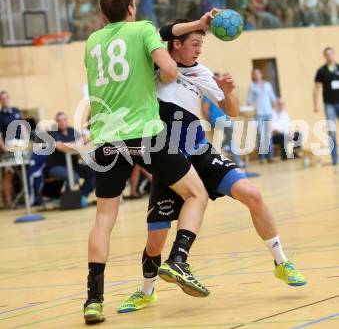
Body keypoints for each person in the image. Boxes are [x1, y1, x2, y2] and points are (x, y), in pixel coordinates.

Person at [116, 18, 306, 313]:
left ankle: (282, 262)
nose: (199, 50)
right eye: (194, 44)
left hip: (200, 152)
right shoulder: (153, 68)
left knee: (252, 194)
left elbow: (231, 111)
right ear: (176, 44)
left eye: (201, 44)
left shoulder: (201, 72)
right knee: (154, 242)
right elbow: (163, 32)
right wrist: (198, 21)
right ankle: (146, 291)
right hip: (170, 161)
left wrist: (228, 91)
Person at [83, 0, 210, 324]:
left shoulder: (93, 42)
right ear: (132, 8)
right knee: (196, 193)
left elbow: (100, 87)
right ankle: (178, 259)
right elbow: (168, 70)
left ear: (103, 14)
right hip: (144, 133)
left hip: (106, 135)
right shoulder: (142, 30)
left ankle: (93, 301)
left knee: (103, 220)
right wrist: (167, 70)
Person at [46, 112, 94, 204]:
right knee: (73, 177)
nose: (62, 122)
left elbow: (83, 143)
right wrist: (76, 144)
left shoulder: (72, 131)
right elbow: (60, 147)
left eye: (64, 120)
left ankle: (81, 197)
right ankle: (67, 201)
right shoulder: (53, 133)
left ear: (67, 121)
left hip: (73, 165)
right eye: (59, 121)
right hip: (56, 166)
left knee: (91, 173)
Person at [0, 91, 27, 208]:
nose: (5, 100)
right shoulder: (0, 115)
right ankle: (8, 201)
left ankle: (28, 198)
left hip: (20, 146)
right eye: (2, 98)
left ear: (9, 98)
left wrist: (25, 142)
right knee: (9, 173)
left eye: (6, 98)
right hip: (8, 148)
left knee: (25, 171)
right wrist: (4, 149)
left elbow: (22, 127)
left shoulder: (16, 111)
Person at [314, 47, 339, 165]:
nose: (329, 56)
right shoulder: (321, 71)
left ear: (334, 55)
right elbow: (316, 88)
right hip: (329, 104)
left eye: (331, 54)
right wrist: (315, 104)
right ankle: (335, 158)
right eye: (327, 55)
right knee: (332, 131)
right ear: (325, 57)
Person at [247, 68, 277, 162]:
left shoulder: (268, 85)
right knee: (261, 134)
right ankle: (262, 158)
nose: (256, 75)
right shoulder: (252, 86)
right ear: (253, 76)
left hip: (268, 113)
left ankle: (270, 156)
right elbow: (249, 100)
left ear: (261, 74)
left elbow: (273, 98)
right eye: (254, 74)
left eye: (258, 73)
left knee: (268, 135)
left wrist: (275, 110)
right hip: (259, 114)